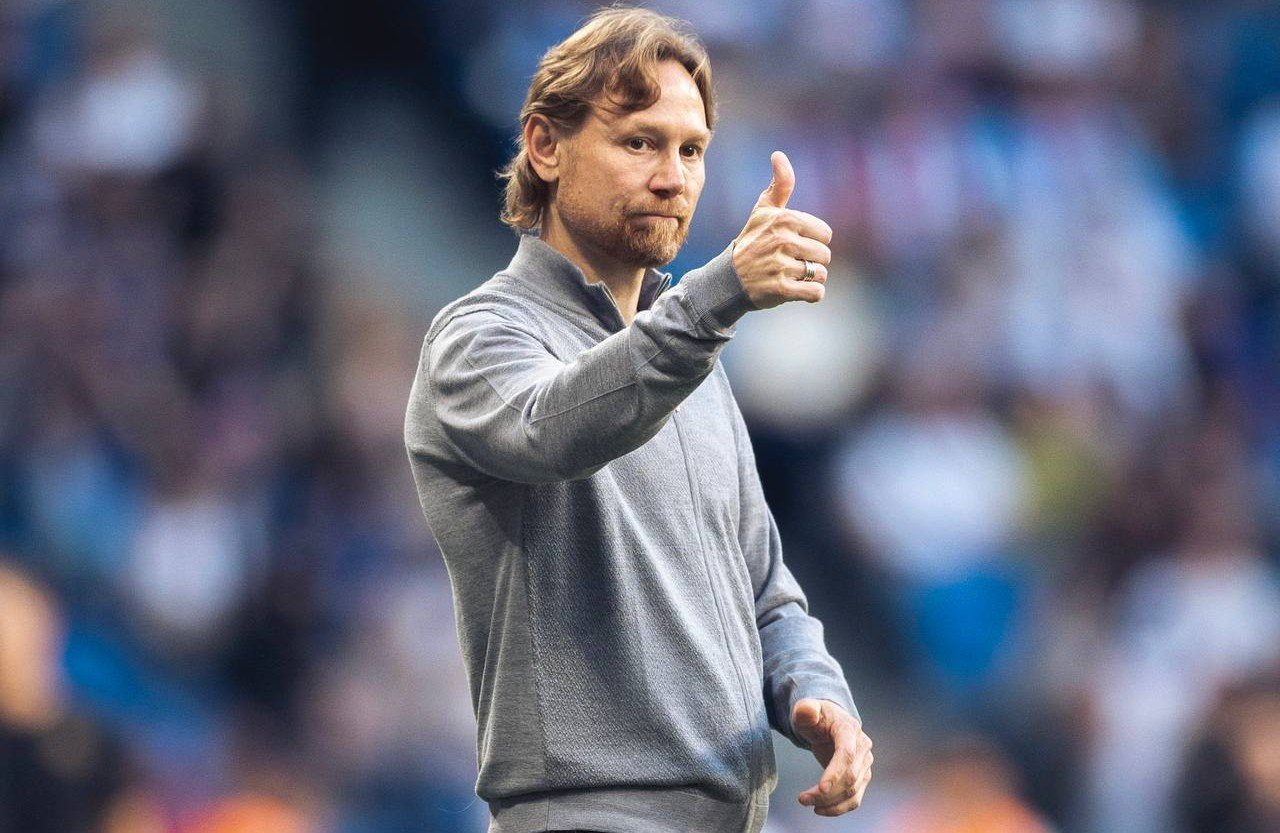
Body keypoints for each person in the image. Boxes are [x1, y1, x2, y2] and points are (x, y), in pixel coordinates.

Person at [403, 7, 873, 832]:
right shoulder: (477, 338)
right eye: (640, 142)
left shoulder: (695, 363)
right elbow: (555, 429)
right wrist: (717, 297)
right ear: (545, 146)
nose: (673, 177)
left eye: (691, 150)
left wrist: (819, 696)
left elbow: (767, 595)